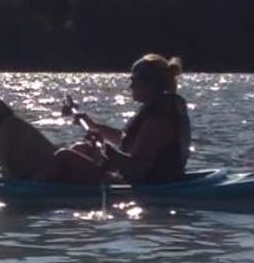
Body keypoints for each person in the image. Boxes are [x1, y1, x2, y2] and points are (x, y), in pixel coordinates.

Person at [53, 54, 191, 185]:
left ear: (149, 83)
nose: (130, 86)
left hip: (147, 185)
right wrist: (92, 125)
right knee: (78, 149)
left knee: (64, 156)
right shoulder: (158, 108)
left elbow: (137, 169)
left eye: (134, 80)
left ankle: (47, 192)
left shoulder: (159, 117)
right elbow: (127, 140)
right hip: (145, 180)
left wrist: (105, 150)